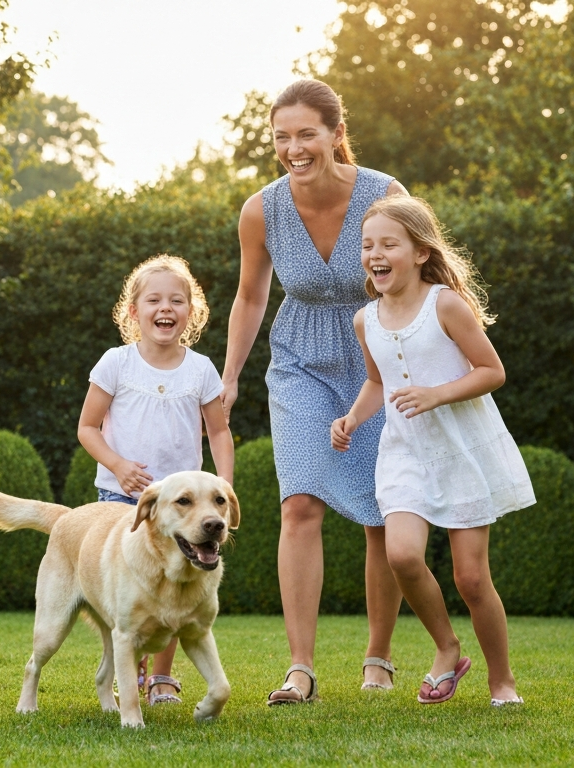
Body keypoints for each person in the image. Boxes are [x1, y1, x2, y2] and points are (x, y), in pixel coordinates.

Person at [222, 79, 407, 705]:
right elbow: (251, 297)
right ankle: (299, 668)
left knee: (382, 512)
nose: (294, 148)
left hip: (377, 364)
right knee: (299, 504)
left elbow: (418, 282)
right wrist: (230, 375)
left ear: (335, 133)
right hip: (298, 361)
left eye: (306, 134)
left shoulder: (386, 195)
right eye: (282, 137)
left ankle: (378, 658)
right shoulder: (262, 209)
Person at [331, 195, 532, 706]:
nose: (374, 253)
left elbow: (492, 371)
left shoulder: (444, 304)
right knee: (400, 554)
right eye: (367, 244)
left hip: (462, 450)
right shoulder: (365, 320)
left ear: (420, 252)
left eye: (388, 244)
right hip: (404, 453)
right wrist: (353, 418)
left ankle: (501, 681)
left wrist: (436, 394)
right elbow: (378, 382)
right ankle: (447, 647)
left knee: (470, 578)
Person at [77, 254, 235, 707]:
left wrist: (223, 487)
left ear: (191, 311)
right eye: (154, 300)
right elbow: (87, 427)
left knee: (177, 588)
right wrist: (120, 465)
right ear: (134, 311)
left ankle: (162, 678)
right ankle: (133, 676)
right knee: (135, 597)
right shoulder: (116, 363)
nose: (165, 308)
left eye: (177, 300)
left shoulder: (201, 369)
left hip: (186, 508)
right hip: (121, 498)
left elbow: (219, 431)